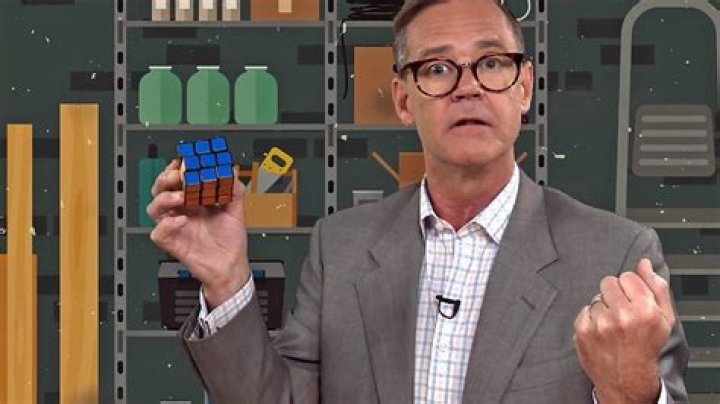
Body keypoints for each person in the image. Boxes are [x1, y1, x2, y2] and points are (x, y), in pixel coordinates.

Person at [147, 0, 689, 402]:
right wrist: (226, 281)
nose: (468, 87)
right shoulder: (341, 247)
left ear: (523, 88)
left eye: (491, 63)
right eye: (437, 68)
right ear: (404, 101)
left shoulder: (615, 255)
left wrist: (633, 393)